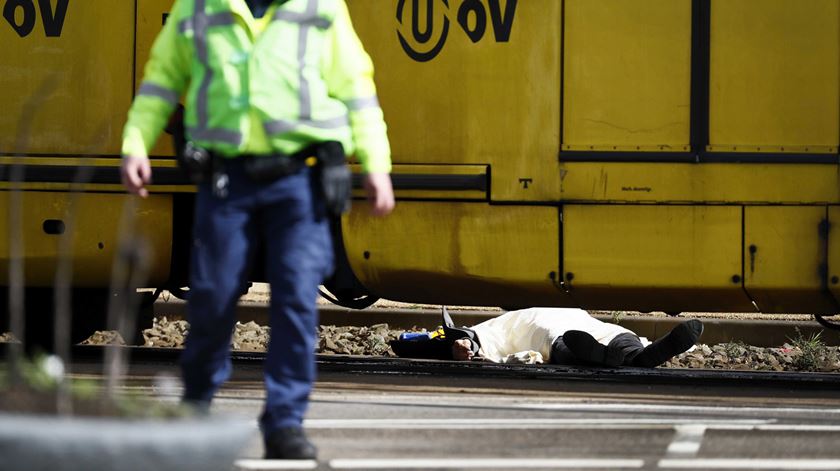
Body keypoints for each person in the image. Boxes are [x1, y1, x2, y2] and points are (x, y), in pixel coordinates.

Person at [120, 0, 394, 460]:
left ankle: (285, 424)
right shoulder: (199, 7)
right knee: (213, 295)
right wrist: (135, 143)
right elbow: (162, 79)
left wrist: (376, 164)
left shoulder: (320, 6)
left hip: (299, 180)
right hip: (227, 180)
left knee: (295, 300)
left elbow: (356, 88)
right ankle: (195, 408)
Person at [393, 308, 703, 368]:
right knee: (625, 341)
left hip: (558, 334)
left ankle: (605, 360)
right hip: (590, 326)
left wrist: (464, 346)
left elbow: (474, 339)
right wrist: (463, 345)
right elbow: (469, 339)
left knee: (565, 347)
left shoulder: (495, 326)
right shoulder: (500, 322)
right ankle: (651, 354)